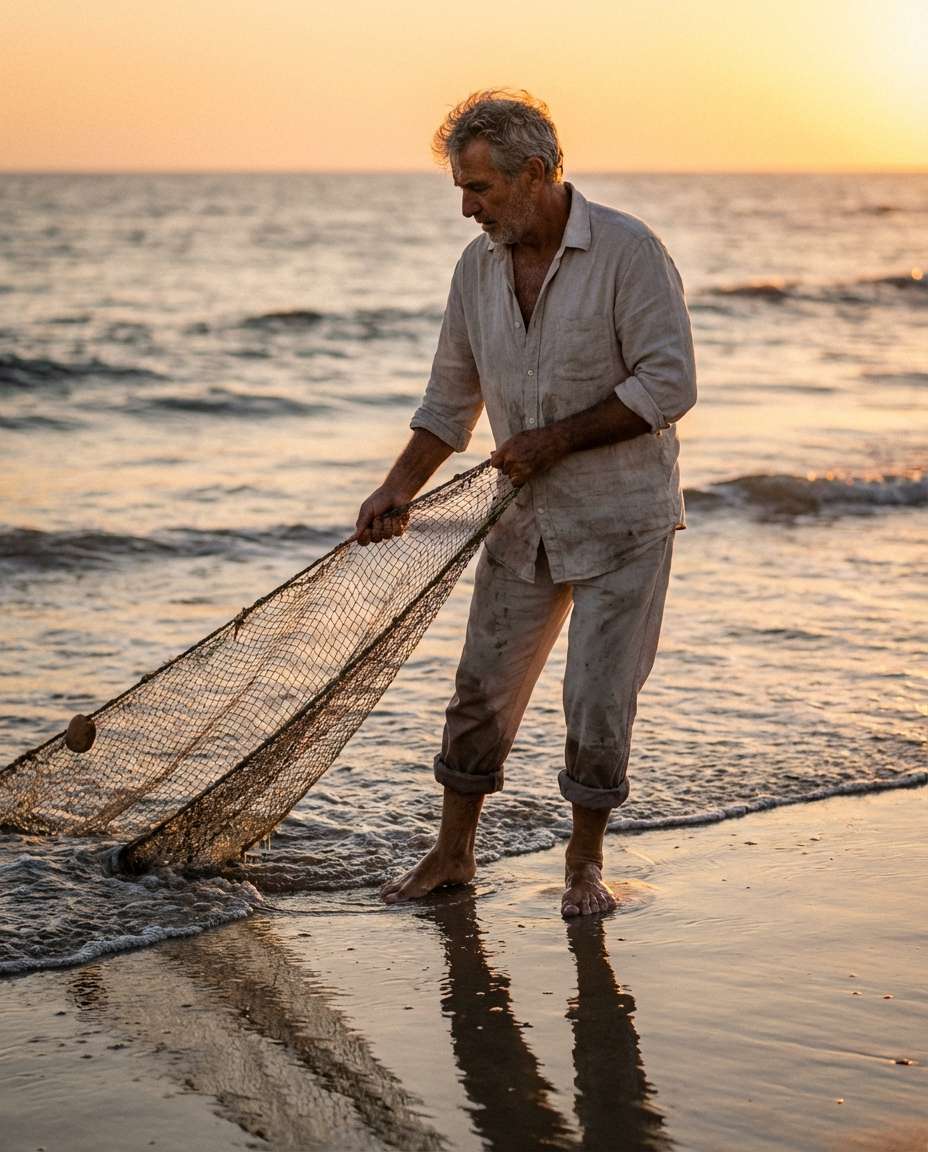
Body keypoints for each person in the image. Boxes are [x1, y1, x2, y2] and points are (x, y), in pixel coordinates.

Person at [354, 90, 696, 917]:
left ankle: (584, 866)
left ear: (535, 173)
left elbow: (670, 383)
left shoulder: (628, 252)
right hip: (522, 524)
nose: (468, 209)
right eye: (462, 192)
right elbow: (448, 403)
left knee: (596, 701)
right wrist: (398, 486)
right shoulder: (475, 270)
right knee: (479, 692)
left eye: (480, 189)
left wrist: (551, 441)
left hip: (624, 522)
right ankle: (452, 854)